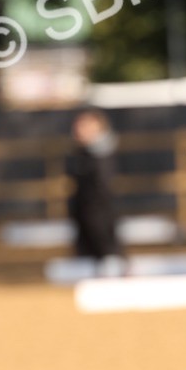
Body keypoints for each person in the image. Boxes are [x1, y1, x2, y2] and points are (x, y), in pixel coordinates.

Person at [67, 108, 123, 269]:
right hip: (85, 216)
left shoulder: (101, 155)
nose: (79, 130)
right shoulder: (81, 153)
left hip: (99, 217)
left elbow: (102, 189)